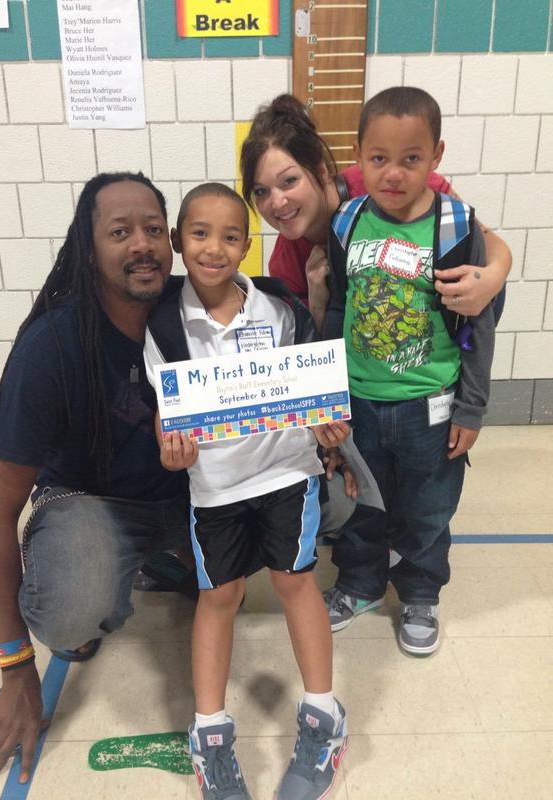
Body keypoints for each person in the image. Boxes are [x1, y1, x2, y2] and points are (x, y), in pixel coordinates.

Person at [0, 172, 192, 786]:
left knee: (327, 500)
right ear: (88, 249)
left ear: (171, 241)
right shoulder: (51, 346)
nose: (141, 244)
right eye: (120, 232)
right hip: (93, 503)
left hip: (187, 497)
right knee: (72, 613)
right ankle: (108, 578)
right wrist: (16, 666)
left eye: (153, 229)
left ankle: (169, 559)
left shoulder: (196, 308)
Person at [143, 183, 349, 800]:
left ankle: (325, 718)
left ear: (247, 244)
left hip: (287, 472)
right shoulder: (163, 323)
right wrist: (169, 445)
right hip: (215, 487)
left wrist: (326, 424)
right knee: (220, 595)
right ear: (178, 241)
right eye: (200, 233)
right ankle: (209, 735)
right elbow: (166, 411)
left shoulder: (278, 308)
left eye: (231, 236)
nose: (215, 248)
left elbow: (309, 391)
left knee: (294, 582)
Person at [321, 87, 496, 654]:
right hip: (358, 402)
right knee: (361, 500)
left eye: (411, 158)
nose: (393, 173)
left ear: (436, 156)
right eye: (379, 158)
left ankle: (420, 592)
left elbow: (478, 324)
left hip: (430, 407)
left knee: (428, 507)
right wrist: (327, 395)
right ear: (359, 155)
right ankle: (360, 583)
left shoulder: (456, 226)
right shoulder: (347, 221)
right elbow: (337, 308)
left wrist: (471, 408)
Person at [240, 93, 511, 330]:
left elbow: (487, 243)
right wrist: (318, 301)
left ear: (321, 171)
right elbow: (317, 353)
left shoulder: (384, 185)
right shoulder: (286, 261)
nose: (277, 202)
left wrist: (492, 278)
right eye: (261, 191)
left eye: (289, 181)